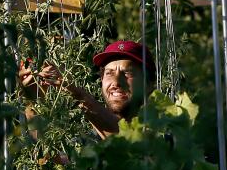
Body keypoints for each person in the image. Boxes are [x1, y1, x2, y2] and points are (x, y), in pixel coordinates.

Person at [19, 40, 154, 141]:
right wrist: (33, 102)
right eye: (109, 73)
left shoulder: (164, 130)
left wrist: (75, 91)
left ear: (149, 84)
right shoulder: (88, 137)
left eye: (128, 73)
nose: (116, 82)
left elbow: (127, 141)